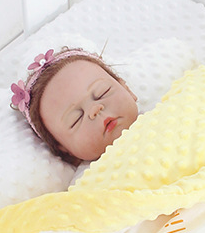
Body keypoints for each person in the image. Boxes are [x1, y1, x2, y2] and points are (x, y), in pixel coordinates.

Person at [11, 47, 139, 165]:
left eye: (102, 93)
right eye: (76, 119)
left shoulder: (153, 115)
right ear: (64, 149)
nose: (94, 110)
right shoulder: (88, 179)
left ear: (126, 88)